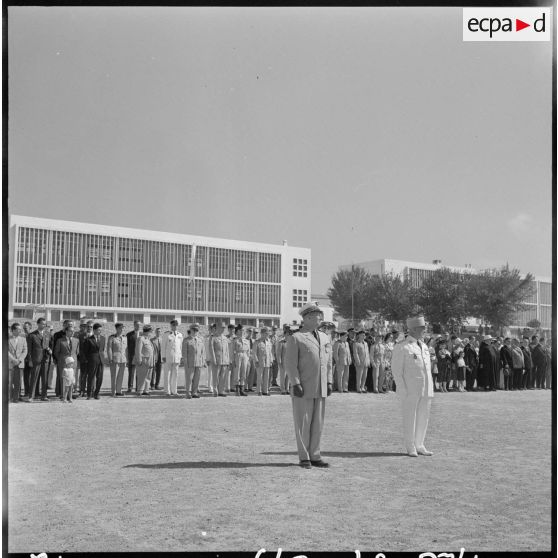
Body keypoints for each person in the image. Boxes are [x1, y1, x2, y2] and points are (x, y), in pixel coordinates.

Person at [284, 302, 333, 469]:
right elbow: (290, 364)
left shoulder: (325, 337)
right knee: (303, 423)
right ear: (307, 318)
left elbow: (328, 363)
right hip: (303, 387)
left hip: (321, 386)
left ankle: (315, 455)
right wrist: (295, 383)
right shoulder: (296, 338)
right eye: (317, 316)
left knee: (317, 423)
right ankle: (304, 456)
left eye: (320, 315)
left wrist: (329, 380)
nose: (320, 318)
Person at [391, 316, 434, 457]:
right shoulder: (402, 346)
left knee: (423, 417)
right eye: (422, 328)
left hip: (426, 388)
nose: (424, 330)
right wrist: (402, 389)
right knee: (410, 417)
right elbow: (396, 371)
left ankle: (420, 444)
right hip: (410, 389)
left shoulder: (424, 346)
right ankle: (410, 447)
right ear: (414, 329)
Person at [28, 317, 53, 402]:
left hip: (45, 359)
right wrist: (30, 360)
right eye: (42, 323)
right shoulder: (32, 335)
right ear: (38, 324)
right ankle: (31, 396)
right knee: (34, 378)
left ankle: (44, 396)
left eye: (45, 324)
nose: (44, 325)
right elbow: (29, 349)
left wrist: (50, 350)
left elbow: (51, 346)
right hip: (36, 359)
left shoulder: (48, 334)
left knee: (45, 378)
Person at [53, 321, 79, 400]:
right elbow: (56, 352)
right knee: (63, 379)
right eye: (71, 331)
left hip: (72, 363)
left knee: (71, 379)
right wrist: (61, 359)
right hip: (63, 363)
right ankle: (62, 395)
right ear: (66, 331)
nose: (72, 332)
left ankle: (70, 396)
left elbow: (77, 352)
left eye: (73, 331)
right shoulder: (60, 340)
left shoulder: (76, 340)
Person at [83, 323, 107, 400]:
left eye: (101, 330)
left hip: (101, 360)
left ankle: (96, 393)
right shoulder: (88, 339)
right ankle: (89, 394)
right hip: (92, 361)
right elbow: (85, 352)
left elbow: (102, 350)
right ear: (94, 330)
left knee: (100, 377)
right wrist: (88, 360)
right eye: (98, 330)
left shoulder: (103, 338)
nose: (100, 331)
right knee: (91, 377)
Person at [183, 324, 206, 398]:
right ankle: (188, 392)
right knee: (189, 378)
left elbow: (203, 352)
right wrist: (185, 362)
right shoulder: (186, 340)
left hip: (198, 362)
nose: (196, 332)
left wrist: (203, 361)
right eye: (194, 330)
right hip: (190, 362)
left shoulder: (200, 340)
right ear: (191, 330)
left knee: (197, 378)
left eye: (197, 330)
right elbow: (184, 352)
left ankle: (194, 392)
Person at [209, 322, 231, 397]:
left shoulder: (225, 338)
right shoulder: (213, 338)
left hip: (224, 360)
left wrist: (228, 360)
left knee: (223, 376)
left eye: (224, 328)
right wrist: (214, 359)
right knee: (215, 376)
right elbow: (211, 349)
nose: (223, 329)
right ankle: (215, 391)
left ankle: (221, 390)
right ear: (217, 328)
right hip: (217, 360)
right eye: (221, 327)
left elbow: (227, 350)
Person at [8, 322, 28, 403]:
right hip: (10, 363)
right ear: (13, 330)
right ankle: (9, 398)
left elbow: (25, 350)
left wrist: (19, 360)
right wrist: (13, 359)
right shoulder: (7, 338)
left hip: (19, 364)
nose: (20, 331)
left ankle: (16, 398)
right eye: (18, 329)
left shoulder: (23, 339)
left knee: (18, 382)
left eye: (20, 329)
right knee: (9, 382)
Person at [107, 323, 127, 397]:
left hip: (123, 359)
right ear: (117, 329)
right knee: (114, 376)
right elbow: (109, 348)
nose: (122, 330)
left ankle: (119, 391)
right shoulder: (112, 337)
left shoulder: (125, 337)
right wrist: (110, 358)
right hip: (115, 359)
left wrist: (126, 359)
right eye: (120, 328)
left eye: (123, 328)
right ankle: (113, 392)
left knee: (121, 376)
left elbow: (126, 349)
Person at [135, 325, 155, 396]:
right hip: (143, 361)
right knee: (142, 376)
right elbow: (138, 350)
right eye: (151, 331)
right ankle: (140, 391)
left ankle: (146, 390)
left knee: (148, 377)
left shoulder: (148, 339)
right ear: (148, 331)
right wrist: (139, 360)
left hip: (150, 361)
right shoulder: (141, 339)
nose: (151, 333)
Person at [254, 326, 274, 396]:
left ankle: (265, 391)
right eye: (266, 333)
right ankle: (259, 390)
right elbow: (254, 353)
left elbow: (270, 352)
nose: (267, 335)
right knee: (260, 377)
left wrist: (271, 360)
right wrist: (256, 361)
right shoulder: (257, 342)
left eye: (267, 333)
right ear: (262, 333)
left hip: (267, 361)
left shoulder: (269, 342)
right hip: (260, 362)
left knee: (266, 377)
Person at [231, 324, 249, 396]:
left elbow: (248, 351)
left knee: (243, 372)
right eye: (241, 330)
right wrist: (232, 360)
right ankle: (237, 389)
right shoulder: (235, 340)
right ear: (237, 331)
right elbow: (232, 351)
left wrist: (247, 359)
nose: (242, 332)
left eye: (243, 330)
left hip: (244, 355)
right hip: (237, 355)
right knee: (237, 372)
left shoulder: (246, 340)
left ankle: (242, 389)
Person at [126, 321, 142, 393]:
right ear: (134, 325)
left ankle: (138, 387)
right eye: (136, 325)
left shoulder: (142, 334)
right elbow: (127, 347)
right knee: (131, 373)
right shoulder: (129, 335)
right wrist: (127, 358)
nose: (138, 326)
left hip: (140, 357)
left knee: (139, 373)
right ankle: (130, 387)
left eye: (139, 325)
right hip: (131, 356)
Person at [275, 326, 292, 395]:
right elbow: (278, 353)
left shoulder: (291, 342)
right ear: (285, 334)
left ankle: (287, 388)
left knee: (288, 376)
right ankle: (282, 389)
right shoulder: (281, 342)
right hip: (283, 361)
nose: (289, 335)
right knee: (282, 376)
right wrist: (279, 361)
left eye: (289, 334)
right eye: (287, 334)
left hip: (290, 362)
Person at [21, 321, 33, 398]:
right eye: (24, 327)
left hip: (31, 359)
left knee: (32, 377)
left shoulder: (33, 336)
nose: (25, 328)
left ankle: (32, 392)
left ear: (30, 327)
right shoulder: (22, 336)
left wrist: (30, 359)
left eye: (26, 327)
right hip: (23, 359)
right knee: (25, 377)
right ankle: (26, 392)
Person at [204, 324, 216, 394]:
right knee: (210, 373)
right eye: (210, 328)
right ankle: (210, 387)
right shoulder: (206, 338)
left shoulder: (216, 337)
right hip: (209, 358)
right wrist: (206, 358)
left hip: (216, 358)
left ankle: (214, 386)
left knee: (216, 373)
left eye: (212, 328)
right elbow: (206, 349)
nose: (211, 329)